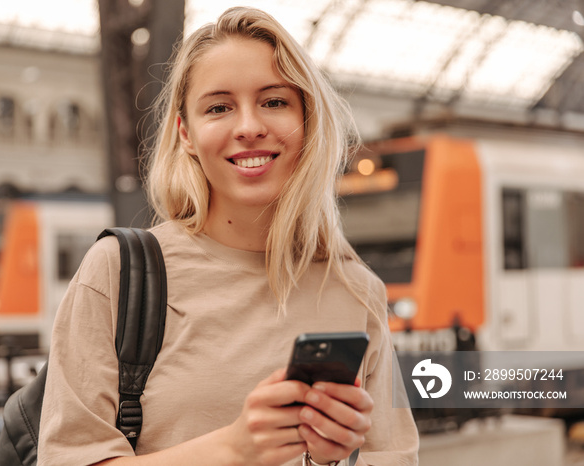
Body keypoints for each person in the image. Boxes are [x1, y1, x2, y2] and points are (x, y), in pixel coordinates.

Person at [38, 6, 419, 466]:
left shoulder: (357, 291)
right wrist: (235, 449)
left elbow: (394, 455)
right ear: (186, 135)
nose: (248, 127)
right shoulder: (119, 272)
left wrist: (326, 460)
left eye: (274, 101)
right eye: (219, 107)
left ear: (308, 121)